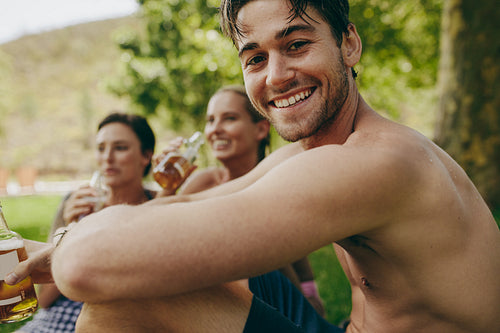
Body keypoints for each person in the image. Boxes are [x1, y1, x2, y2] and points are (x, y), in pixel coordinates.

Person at [6, 0, 500, 332]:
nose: (278, 76)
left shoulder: (377, 163)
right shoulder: (309, 155)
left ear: (349, 43)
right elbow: (176, 212)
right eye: (255, 59)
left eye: (297, 45)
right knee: (136, 290)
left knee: (118, 289)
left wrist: (65, 250)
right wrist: (30, 255)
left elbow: (91, 264)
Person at [157, 84, 325, 315]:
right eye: (210, 120)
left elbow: (302, 275)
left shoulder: (278, 183)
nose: (215, 129)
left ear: (261, 130)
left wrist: (309, 303)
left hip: (269, 307)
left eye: (229, 118)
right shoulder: (204, 182)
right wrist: (168, 189)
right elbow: (154, 232)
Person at [16, 112, 157, 333]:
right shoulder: (76, 203)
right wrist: (68, 229)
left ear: (145, 156)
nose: (107, 157)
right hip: (56, 321)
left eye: (120, 148)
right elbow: (44, 300)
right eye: (101, 148)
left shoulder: (160, 206)